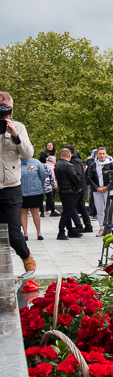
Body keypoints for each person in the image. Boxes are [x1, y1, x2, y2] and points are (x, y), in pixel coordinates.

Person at [1, 93, 37, 272]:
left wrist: (15, 135)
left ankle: (25, 255)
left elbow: (29, 153)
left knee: (14, 232)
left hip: (11, 186)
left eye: (8, 108)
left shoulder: (19, 127)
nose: (5, 112)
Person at [54, 145, 85, 240]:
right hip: (69, 191)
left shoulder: (58, 164)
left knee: (68, 210)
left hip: (62, 190)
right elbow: (74, 178)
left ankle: (70, 230)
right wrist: (79, 187)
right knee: (67, 212)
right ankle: (61, 231)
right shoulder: (68, 165)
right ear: (70, 155)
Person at [85, 146, 113, 235]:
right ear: (97, 155)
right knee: (99, 209)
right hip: (97, 190)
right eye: (100, 154)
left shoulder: (110, 164)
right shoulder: (93, 165)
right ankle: (102, 227)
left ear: (106, 154)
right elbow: (89, 178)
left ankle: (110, 227)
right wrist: (96, 187)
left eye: (103, 153)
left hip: (108, 189)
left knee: (110, 208)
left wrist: (107, 186)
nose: (102, 155)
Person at [20, 156, 48, 242]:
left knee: (35, 211)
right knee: (23, 211)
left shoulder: (36, 163)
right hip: (21, 191)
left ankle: (39, 232)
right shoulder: (16, 162)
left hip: (35, 191)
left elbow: (42, 175)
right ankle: (25, 233)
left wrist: (39, 185)